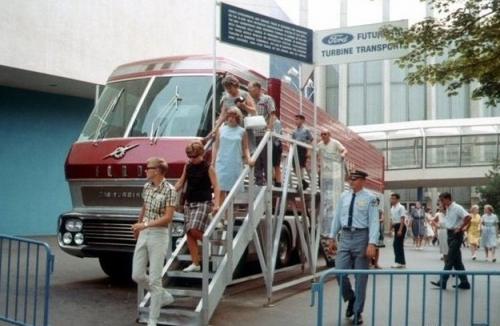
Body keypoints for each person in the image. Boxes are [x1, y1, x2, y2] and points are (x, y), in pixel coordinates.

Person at [328, 170, 379, 325]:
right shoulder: (344, 196)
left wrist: (372, 243)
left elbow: (374, 222)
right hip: (345, 237)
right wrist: (332, 237)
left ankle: (357, 312)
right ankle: (351, 298)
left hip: (361, 237)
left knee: (360, 278)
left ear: (363, 181)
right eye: (350, 179)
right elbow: (337, 217)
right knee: (339, 272)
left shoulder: (370, 199)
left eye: (354, 179)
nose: (351, 182)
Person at [131, 157, 176, 326]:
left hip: (159, 235)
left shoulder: (170, 190)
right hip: (144, 232)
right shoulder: (147, 187)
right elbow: (144, 208)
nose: (145, 170)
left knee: (155, 279)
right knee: (137, 275)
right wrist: (138, 226)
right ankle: (164, 296)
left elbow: (168, 218)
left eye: (147, 168)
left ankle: (152, 320)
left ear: (157, 170)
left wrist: (146, 224)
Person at [175, 142, 220, 272]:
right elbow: (181, 181)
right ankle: (196, 263)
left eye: (195, 157)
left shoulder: (208, 167)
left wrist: (216, 204)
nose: (192, 159)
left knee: (194, 229)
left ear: (201, 154)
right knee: (189, 233)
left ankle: (208, 242)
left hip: (203, 202)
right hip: (189, 202)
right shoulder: (188, 166)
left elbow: (216, 186)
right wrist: (171, 191)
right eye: (190, 157)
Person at [212, 107, 253, 205]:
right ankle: (220, 215)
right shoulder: (221, 130)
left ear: (238, 118)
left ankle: (228, 216)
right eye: (229, 116)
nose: (230, 119)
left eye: (233, 117)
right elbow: (216, 147)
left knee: (232, 191)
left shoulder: (242, 131)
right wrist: (213, 161)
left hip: (234, 162)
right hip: (221, 162)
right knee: (220, 188)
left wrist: (249, 158)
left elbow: (246, 148)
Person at [431, 192, 471, 290]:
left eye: (442, 200)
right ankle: (465, 282)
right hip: (449, 233)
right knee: (457, 262)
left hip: (456, 235)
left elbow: (468, 217)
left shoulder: (457, 207)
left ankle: (442, 281)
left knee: (449, 259)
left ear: (448, 199)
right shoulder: (448, 208)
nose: (441, 202)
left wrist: (460, 227)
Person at [317, 128, 347, 237]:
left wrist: (343, 154)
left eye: (325, 134)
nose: (323, 136)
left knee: (333, 201)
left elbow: (344, 150)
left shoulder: (335, 143)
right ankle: (325, 229)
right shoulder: (320, 145)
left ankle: (333, 229)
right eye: (322, 134)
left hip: (334, 175)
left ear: (329, 135)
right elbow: (314, 153)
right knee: (325, 201)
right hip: (324, 175)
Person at [248, 81, 276, 186]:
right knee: (255, 159)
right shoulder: (249, 100)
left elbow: (272, 115)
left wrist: (269, 129)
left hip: (263, 133)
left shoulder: (267, 99)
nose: (251, 92)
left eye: (253, 90)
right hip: (252, 134)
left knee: (266, 158)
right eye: (249, 90)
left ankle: (269, 181)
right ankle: (259, 180)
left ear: (259, 89)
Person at [291, 114, 313, 190]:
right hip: (295, 149)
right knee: (294, 167)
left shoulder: (306, 130)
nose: (296, 121)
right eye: (295, 119)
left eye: (297, 119)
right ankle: (304, 182)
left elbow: (311, 140)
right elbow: (292, 140)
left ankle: (300, 184)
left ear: (302, 120)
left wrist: (309, 151)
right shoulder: (294, 131)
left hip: (302, 149)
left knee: (300, 167)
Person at [390, 193, 407, 268]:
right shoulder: (392, 208)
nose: (392, 200)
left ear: (397, 199)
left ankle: (398, 262)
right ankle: (401, 262)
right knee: (397, 245)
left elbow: (402, 219)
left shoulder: (401, 207)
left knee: (397, 244)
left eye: (394, 198)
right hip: (395, 226)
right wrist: (391, 229)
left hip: (401, 226)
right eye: (391, 198)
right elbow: (392, 219)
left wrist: (400, 230)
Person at [371, 198, 384, 269]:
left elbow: (382, 219)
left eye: (376, 202)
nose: (375, 203)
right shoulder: (369, 210)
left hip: (377, 231)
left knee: (377, 248)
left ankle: (376, 263)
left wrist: (376, 220)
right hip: (369, 231)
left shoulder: (380, 211)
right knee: (369, 247)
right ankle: (369, 263)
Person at [271, 117, 283, 187]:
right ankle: (274, 179)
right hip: (270, 144)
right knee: (271, 164)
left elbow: (276, 135)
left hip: (276, 145)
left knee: (276, 165)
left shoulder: (277, 122)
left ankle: (278, 182)